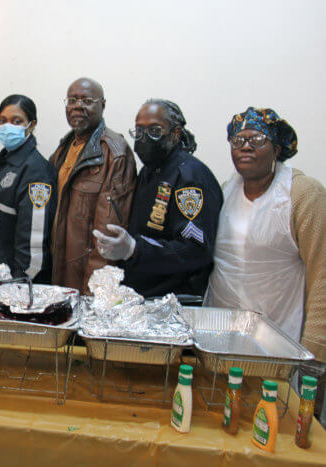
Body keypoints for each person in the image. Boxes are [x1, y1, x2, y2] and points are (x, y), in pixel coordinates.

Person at [204, 107, 325, 419]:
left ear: (277, 148)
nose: (245, 146)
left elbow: (322, 272)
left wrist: (315, 350)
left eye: (256, 139)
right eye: (237, 140)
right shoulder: (226, 189)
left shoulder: (302, 194)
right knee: (223, 420)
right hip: (223, 337)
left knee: (274, 424)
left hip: (281, 340)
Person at [94, 99, 222, 298]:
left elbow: (195, 251)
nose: (145, 139)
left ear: (176, 133)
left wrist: (134, 249)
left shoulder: (190, 178)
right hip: (144, 293)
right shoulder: (149, 171)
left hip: (174, 299)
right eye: (139, 131)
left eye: (155, 130)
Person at [49, 78, 136, 294]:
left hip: (82, 282)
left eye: (87, 100)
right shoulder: (64, 147)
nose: (78, 106)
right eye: (72, 100)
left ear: (102, 105)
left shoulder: (115, 153)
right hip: (56, 273)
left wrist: (92, 296)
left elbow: (107, 241)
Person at [0, 94, 57, 281]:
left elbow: (33, 246)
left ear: (32, 125)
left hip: (10, 286)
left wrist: (18, 285)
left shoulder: (36, 173)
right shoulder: (1, 162)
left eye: (17, 121)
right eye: (3, 121)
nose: (8, 126)